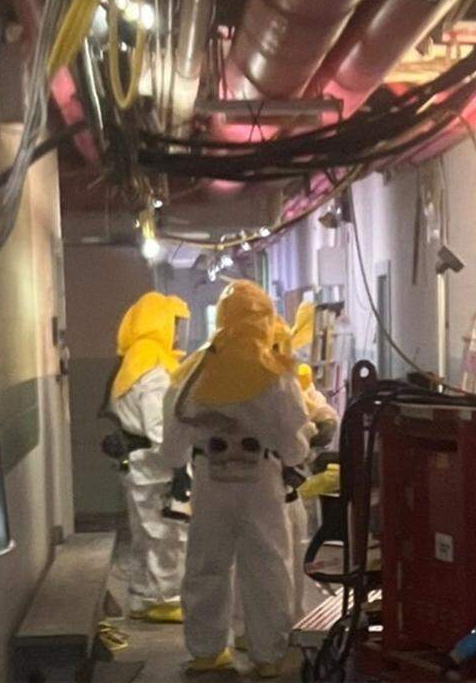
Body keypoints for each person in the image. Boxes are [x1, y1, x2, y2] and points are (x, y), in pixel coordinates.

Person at [162, 280, 310, 678]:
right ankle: (267, 655)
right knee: (267, 568)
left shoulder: (192, 371)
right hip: (261, 482)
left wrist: (177, 463)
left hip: (210, 481)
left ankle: (207, 652)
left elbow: (172, 438)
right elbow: (294, 440)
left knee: (206, 564)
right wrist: (296, 457)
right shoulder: (275, 374)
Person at [110, 291, 191, 623]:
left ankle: (144, 595)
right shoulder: (154, 367)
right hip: (156, 467)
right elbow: (160, 426)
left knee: (145, 532)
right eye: (176, 323)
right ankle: (164, 597)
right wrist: (181, 466)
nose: (180, 331)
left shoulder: (137, 358)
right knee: (165, 534)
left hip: (140, 464)